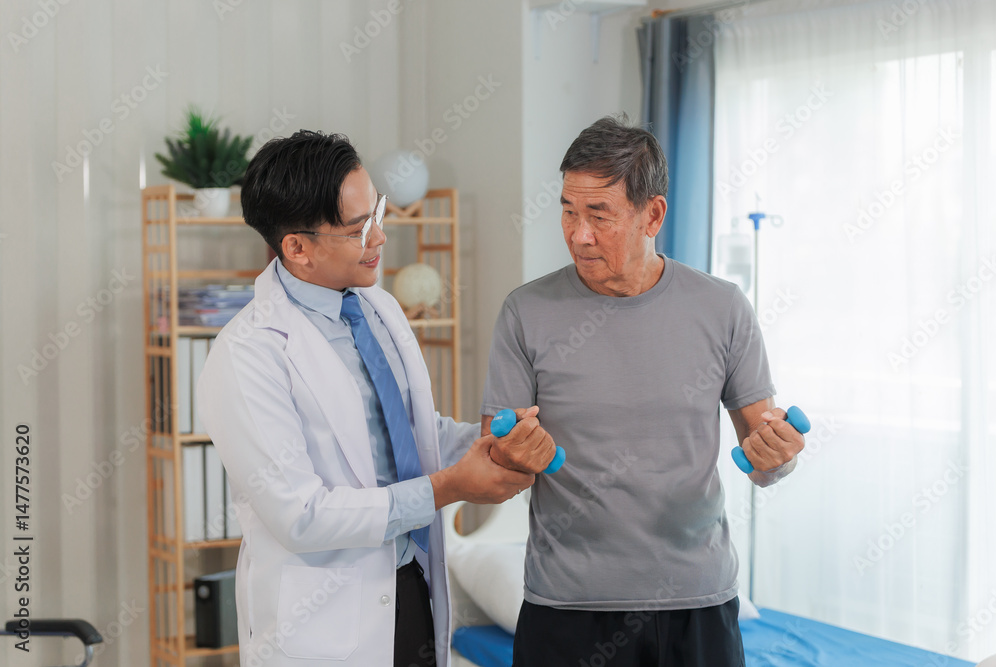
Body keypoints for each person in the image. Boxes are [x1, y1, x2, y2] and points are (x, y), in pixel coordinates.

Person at [197, 130, 551, 667]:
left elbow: (408, 433)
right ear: (297, 248)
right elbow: (301, 515)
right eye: (359, 228)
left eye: (377, 213)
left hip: (412, 586)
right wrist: (448, 488)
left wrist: (491, 441)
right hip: (324, 621)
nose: (381, 237)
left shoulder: (377, 308)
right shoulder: (247, 354)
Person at [482, 115, 805, 667]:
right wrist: (512, 455)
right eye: (568, 210)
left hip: (697, 603)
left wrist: (779, 455)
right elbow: (495, 464)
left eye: (598, 214)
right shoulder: (525, 312)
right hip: (568, 608)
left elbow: (765, 456)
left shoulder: (723, 308)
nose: (578, 234)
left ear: (652, 214)